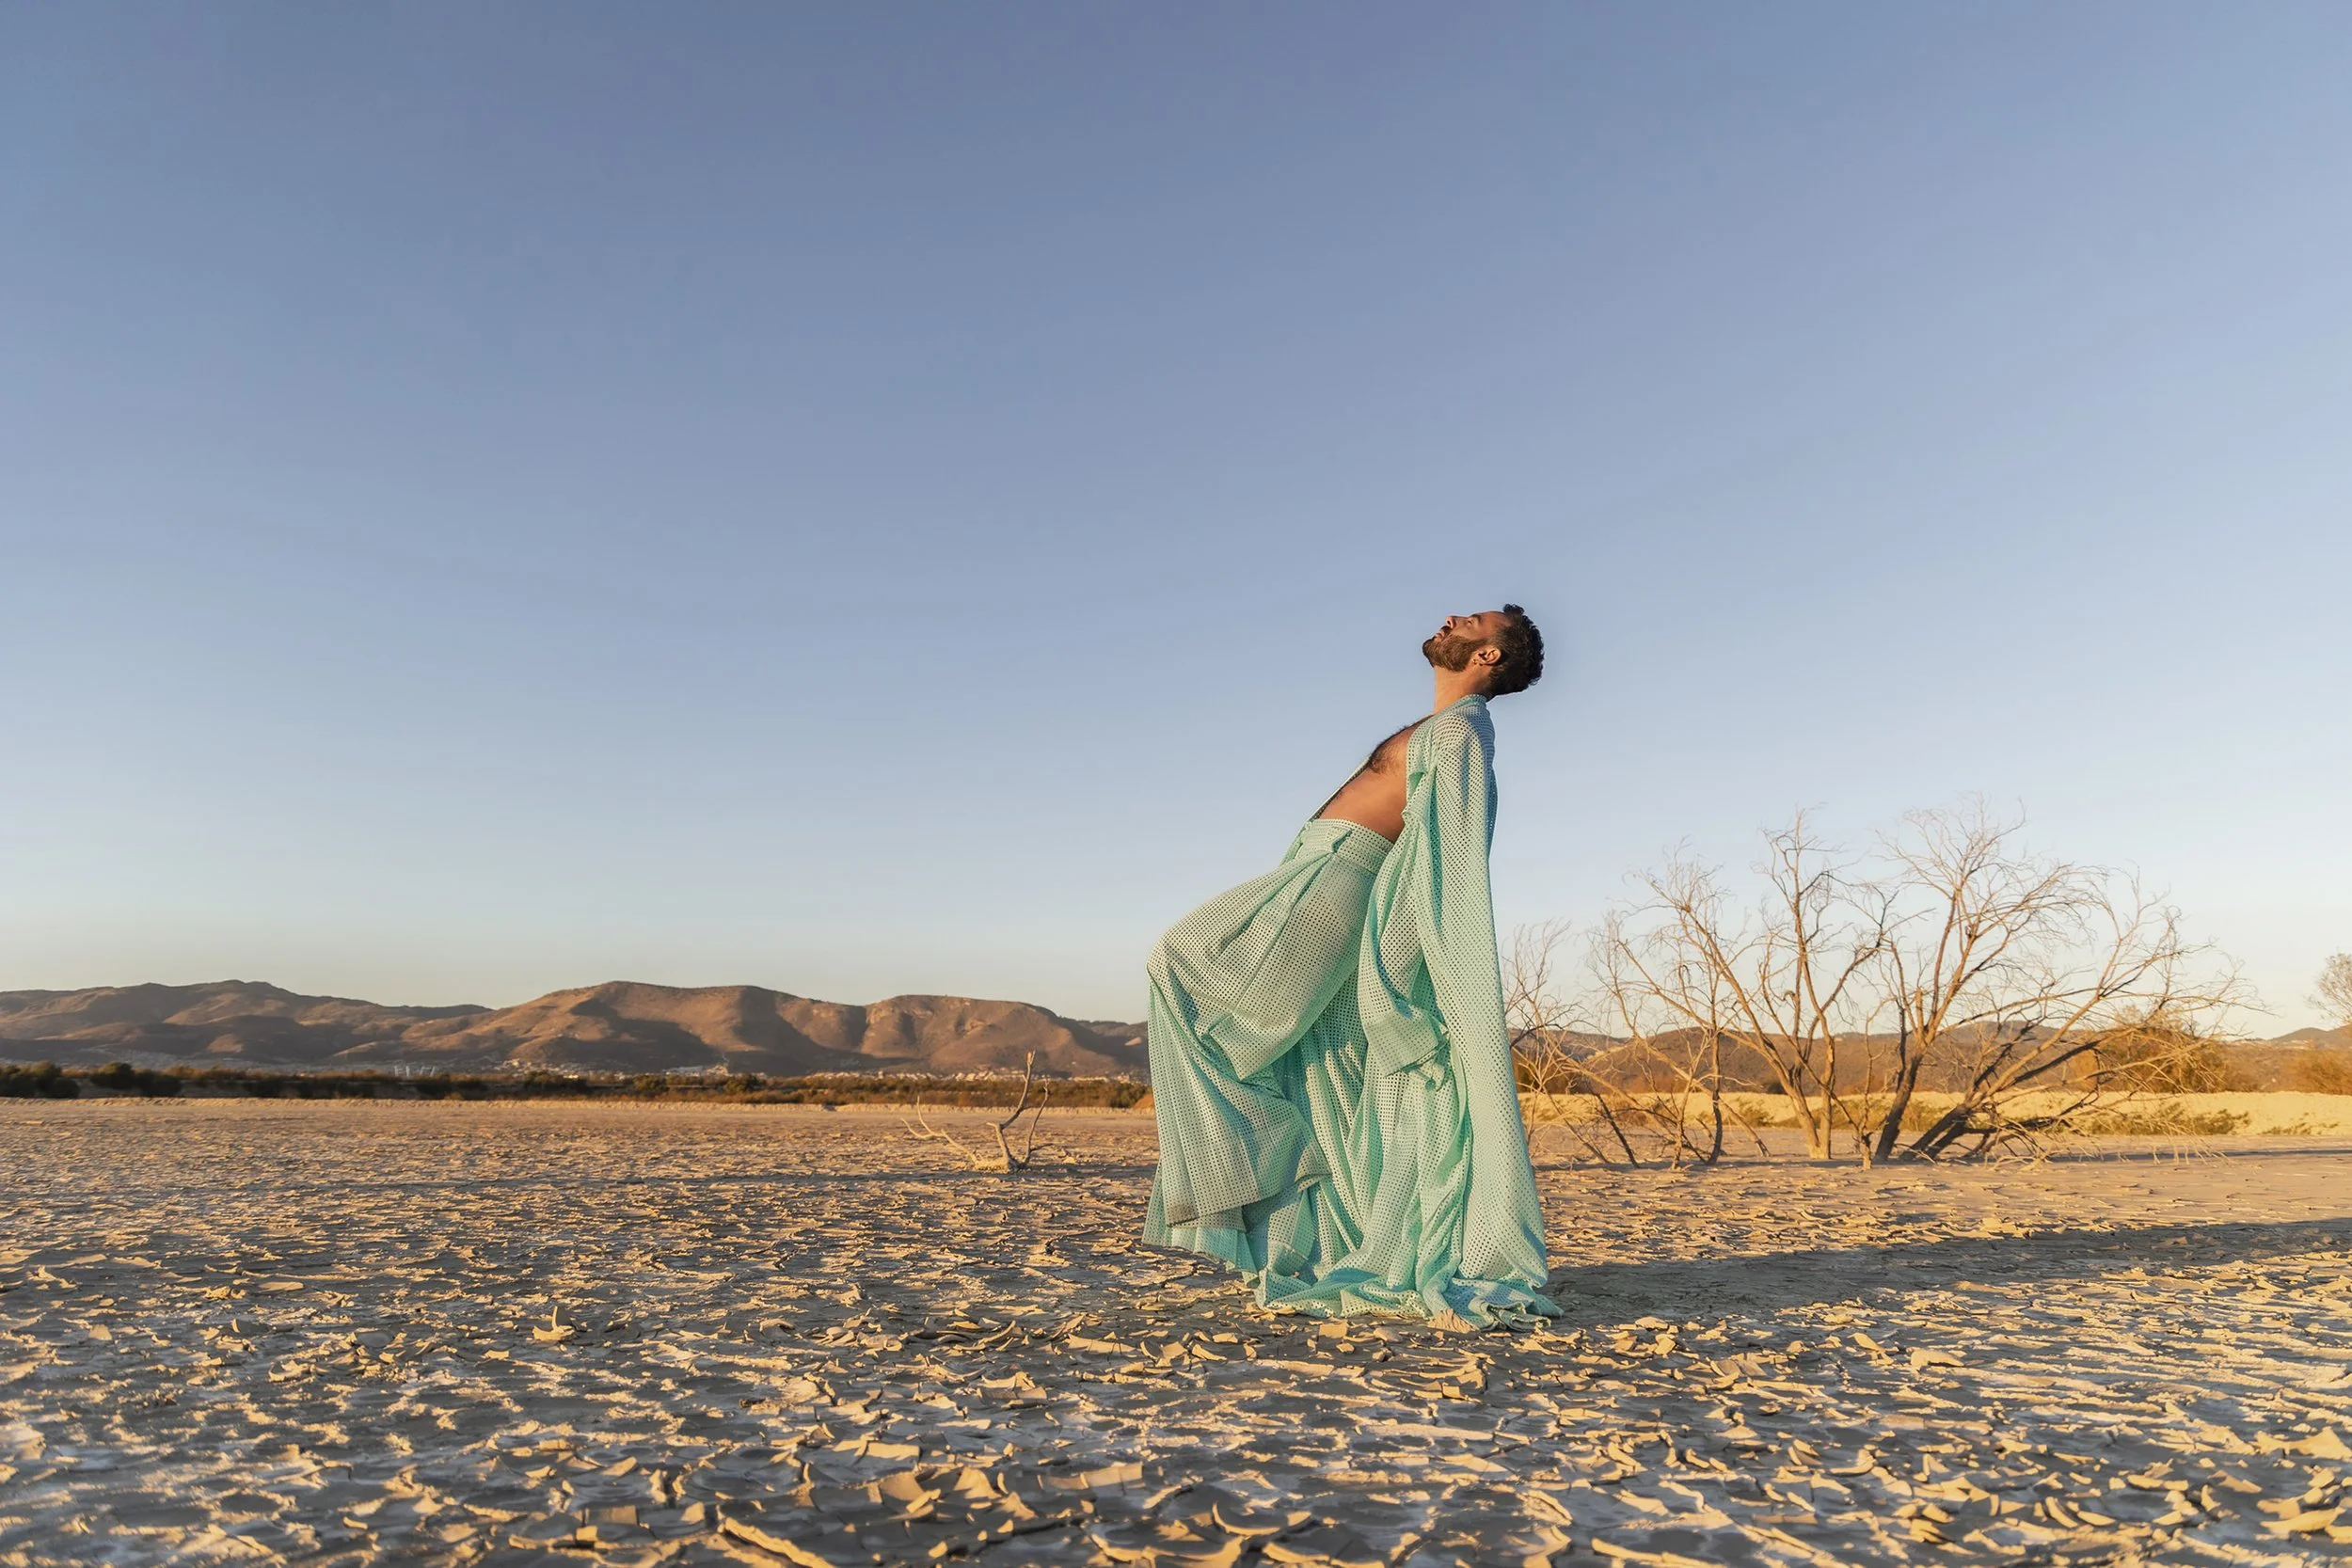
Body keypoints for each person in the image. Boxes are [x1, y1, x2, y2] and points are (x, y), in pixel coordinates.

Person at [1141, 607, 1553, 1327]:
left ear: (1489, 654)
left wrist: (1398, 971)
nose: (1451, 617)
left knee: (1179, 964)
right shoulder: (1440, 727)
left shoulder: (1462, 732)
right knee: (1318, 1064)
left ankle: (1275, 1160)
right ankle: (1323, 1219)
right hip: (1313, 870)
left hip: (1339, 878)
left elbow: (1448, 854)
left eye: (1472, 620)